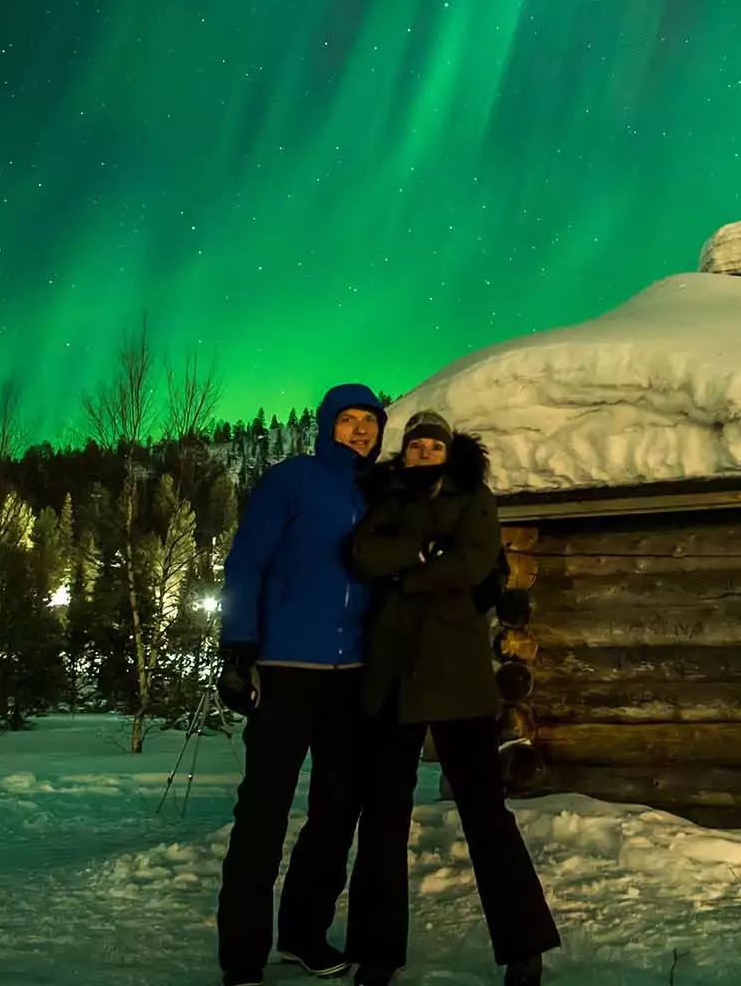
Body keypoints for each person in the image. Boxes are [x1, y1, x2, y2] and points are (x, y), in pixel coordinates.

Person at [343, 411, 561, 986]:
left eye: (432, 446)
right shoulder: (386, 495)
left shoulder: (474, 497)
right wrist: (423, 555)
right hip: (393, 675)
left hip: (456, 677)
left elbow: (471, 561)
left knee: (485, 814)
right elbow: (363, 556)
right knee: (383, 816)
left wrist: (407, 573)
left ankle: (524, 946)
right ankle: (377, 951)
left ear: (449, 450)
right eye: (414, 446)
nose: (422, 454)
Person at [214, 383, 388, 986]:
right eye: (349, 420)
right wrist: (238, 645)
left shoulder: (379, 489)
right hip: (286, 670)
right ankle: (242, 954)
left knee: (336, 814)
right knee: (263, 813)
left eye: (370, 420)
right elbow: (246, 561)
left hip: (353, 677)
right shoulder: (292, 480)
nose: (361, 430)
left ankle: (303, 935)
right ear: (327, 426)